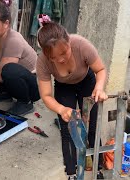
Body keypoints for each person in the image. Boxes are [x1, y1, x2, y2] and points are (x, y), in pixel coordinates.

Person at [36, 14, 108, 179]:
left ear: (69, 42)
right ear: (47, 56)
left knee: (92, 126)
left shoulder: (82, 45)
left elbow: (101, 70)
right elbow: (46, 95)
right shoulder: (42, 62)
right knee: (68, 129)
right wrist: (61, 109)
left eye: (64, 52)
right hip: (64, 87)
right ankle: (72, 172)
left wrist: (98, 87)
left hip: (87, 81)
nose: (60, 59)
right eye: (54, 57)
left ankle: (97, 168)